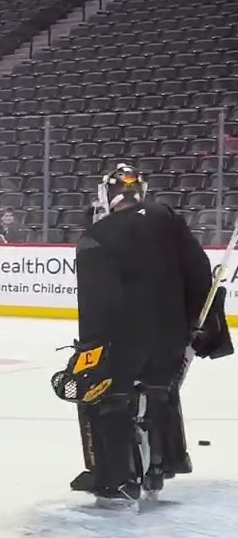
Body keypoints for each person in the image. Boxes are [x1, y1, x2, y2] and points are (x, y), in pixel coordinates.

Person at [53, 164, 231, 507]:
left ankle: (116, 478)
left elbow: (98, 304)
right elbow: (197, 271)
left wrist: (90, 351)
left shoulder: (96, 237)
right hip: (172, 336)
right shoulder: (167, 217)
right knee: (161, 392)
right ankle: (161, 466)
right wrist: (203, 325)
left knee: (107, 399)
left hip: (125, 340)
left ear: (107, 195)